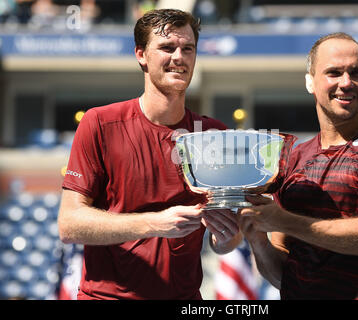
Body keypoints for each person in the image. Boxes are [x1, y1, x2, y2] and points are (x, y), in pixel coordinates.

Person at [57, 8, 241, 300]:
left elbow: (226, 242)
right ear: (141, 54)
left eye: (188, 48)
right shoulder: (100, 123)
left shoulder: (213, 133)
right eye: (167, 48)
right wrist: (156, 223)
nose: (179, 57)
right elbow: (69, 224)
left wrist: (227, 235)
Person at [238, 32, 358, 299]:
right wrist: (257, 239)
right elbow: (281, 276)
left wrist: (284, 220)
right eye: (334, 73)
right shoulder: (293, 158)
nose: (347, 83)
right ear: (310, 82)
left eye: (356, 73)